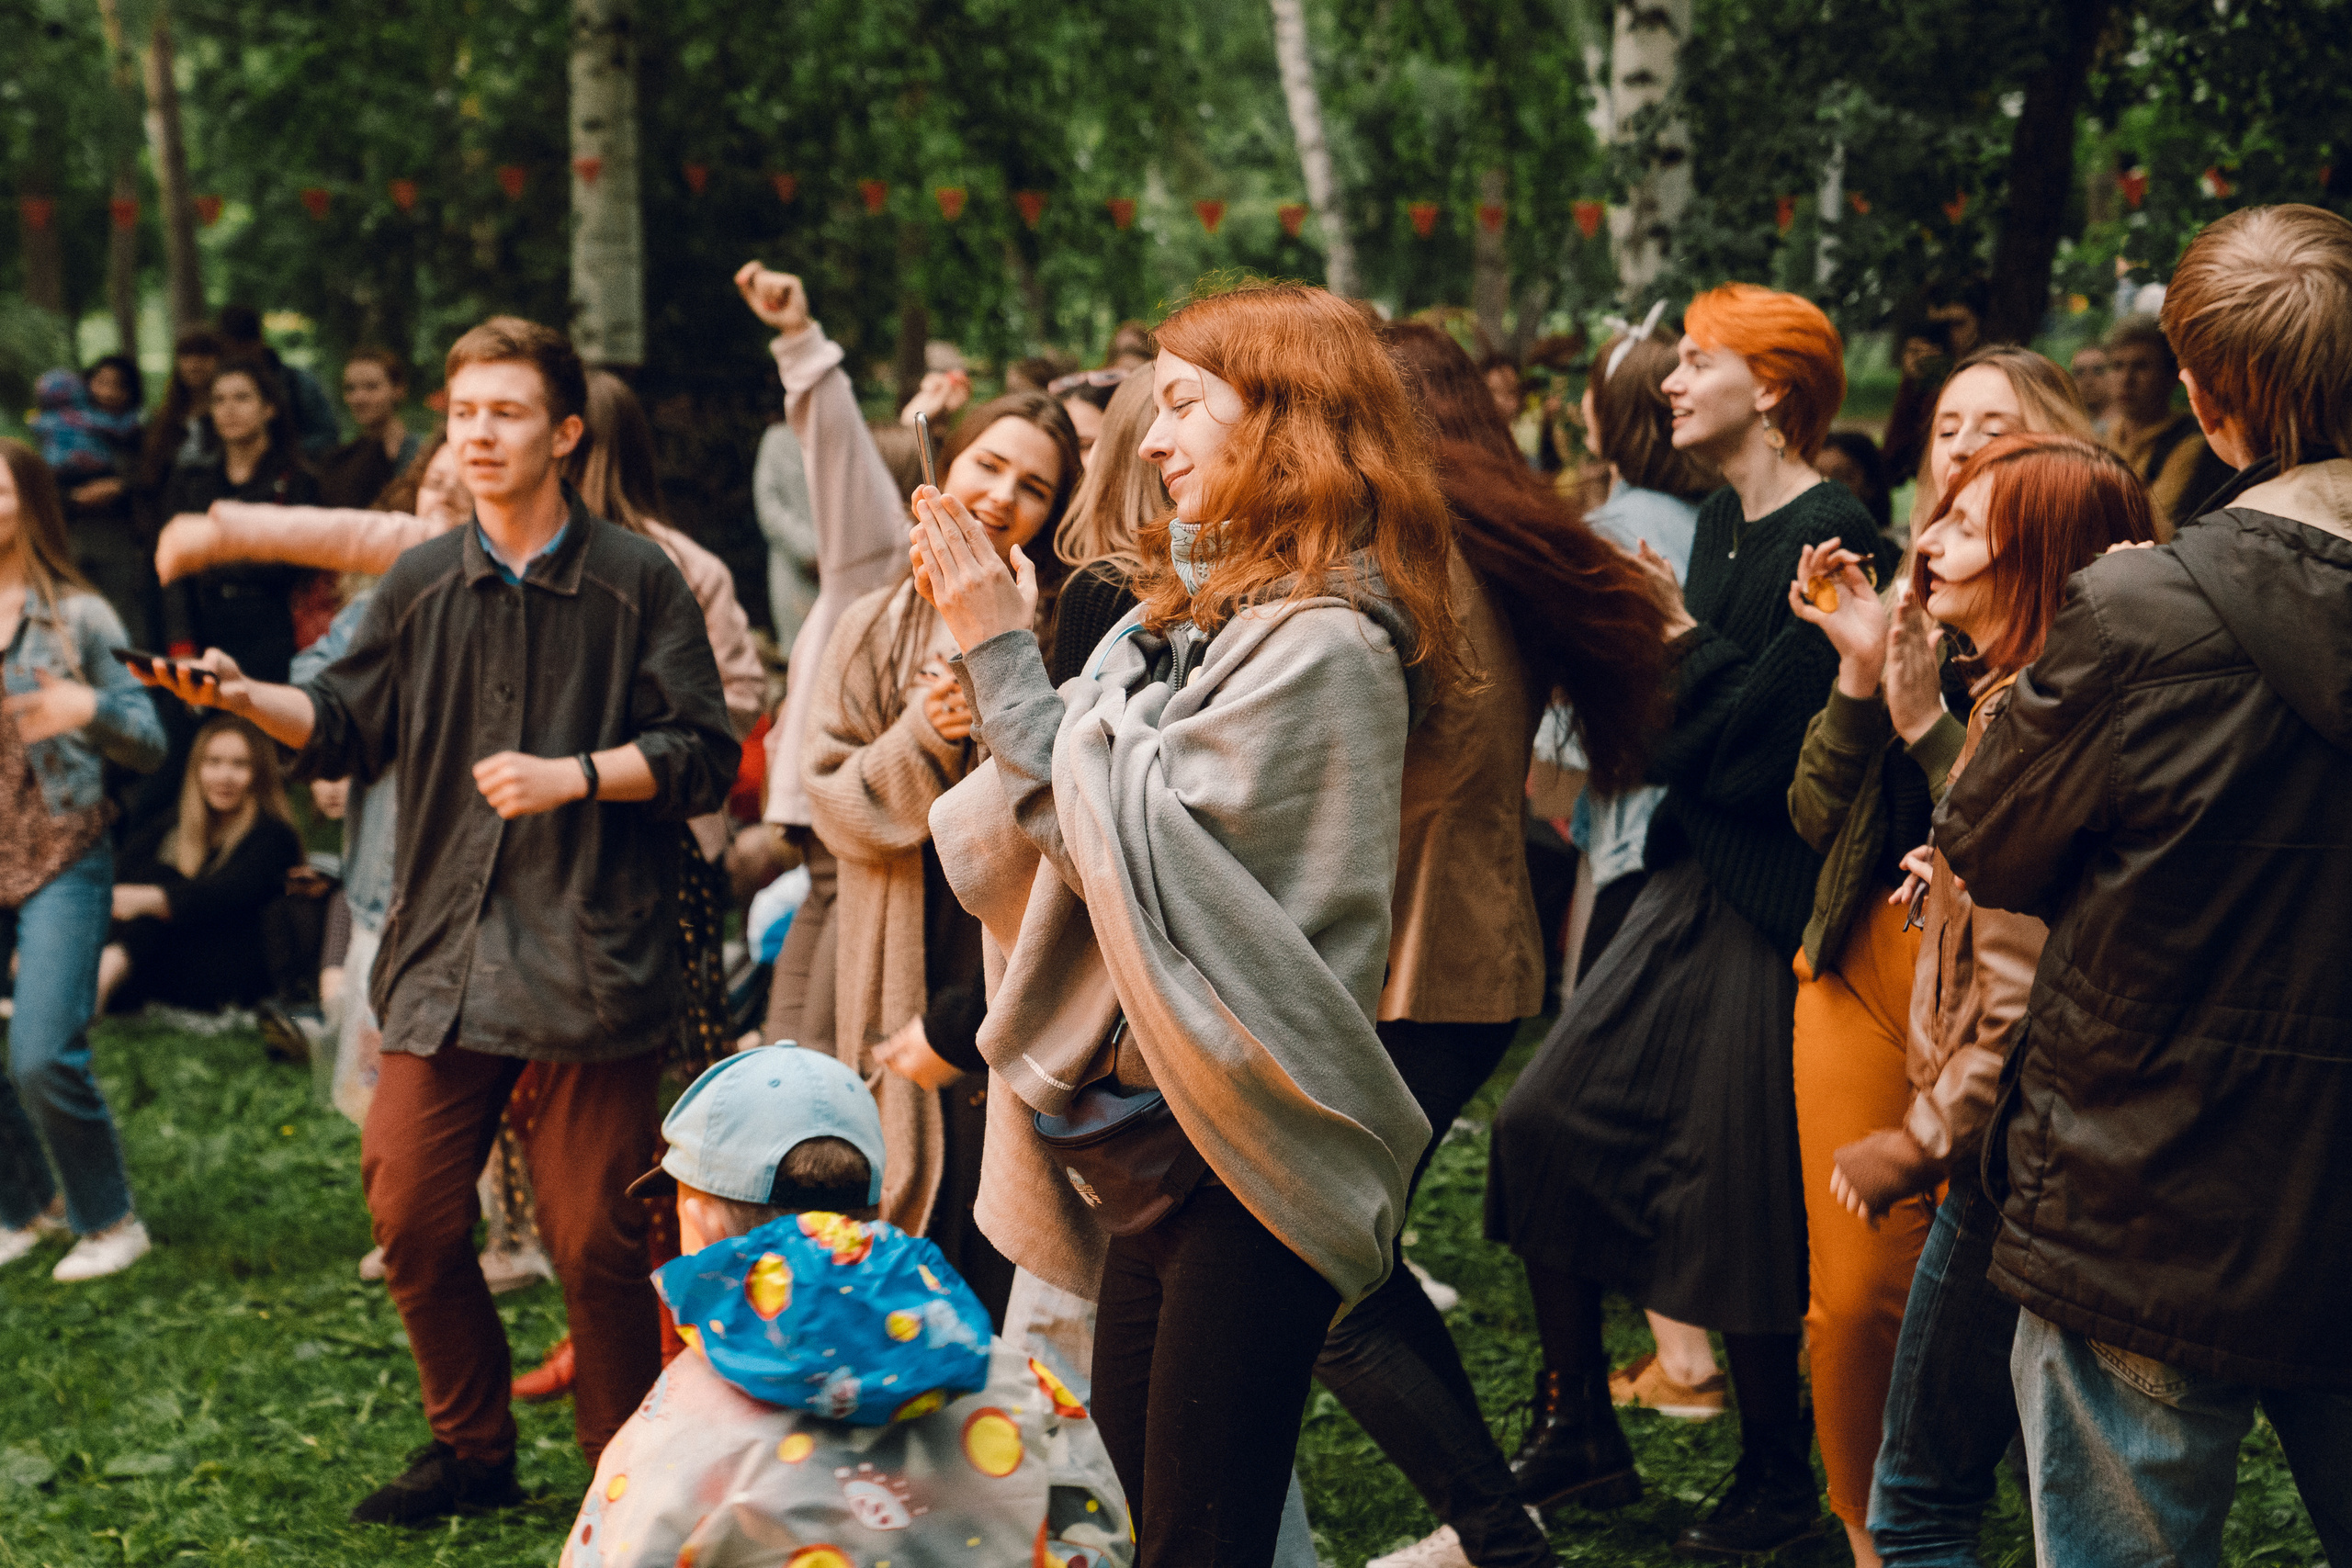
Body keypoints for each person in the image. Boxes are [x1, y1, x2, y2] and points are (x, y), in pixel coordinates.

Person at [136, 315, 740, 1524]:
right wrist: (248, 697)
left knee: (595, 1241)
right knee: (409, 1211)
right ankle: (473, 1449)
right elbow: (340, 720)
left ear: (565, 433)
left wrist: (575, 774)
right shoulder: (419, 579)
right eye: (463, 413)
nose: (477, 434)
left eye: (505, 411)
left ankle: (622, 1476)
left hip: (590, 952)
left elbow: (704, 754)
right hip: (444, 951)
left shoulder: (638, 578)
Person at [919, 279, 1453, 1566]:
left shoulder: (1327, 647)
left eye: (1179, 405)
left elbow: (1122, 849)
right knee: (1143, 1503)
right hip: (1164, 1131)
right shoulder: (1193, 623)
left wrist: (1001, 653)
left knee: (1199, 1539)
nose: (1150, 441)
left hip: (1251, 1138)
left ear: (1280, 418)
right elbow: (1083, 796)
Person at [1938, 205, 2352, 1568]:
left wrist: (2092, 641)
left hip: (2146, 1185)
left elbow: (1988, 842)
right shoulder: (2149, 608)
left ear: (2204, 400)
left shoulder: (2139, 613)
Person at [1488, 282, 1871, 1558]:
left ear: (1773, 388)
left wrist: (1678, 637)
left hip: (1769, 906)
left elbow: (1769, 760)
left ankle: (1778, 1483)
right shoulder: (1715, 522)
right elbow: (1667, 740)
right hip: (1683, 876)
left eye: (1699, 360)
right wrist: (1689, 661)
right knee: (1541, 1125)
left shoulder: (1834, 528)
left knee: (1738, 1186)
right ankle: (1581, 1425)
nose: (1669, 380)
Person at [1782, 423, 2150, 1568]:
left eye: (1963, 526)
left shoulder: (2023, 720)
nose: (1927, 541)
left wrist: (1918, 1141)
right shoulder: (2026, 704)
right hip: (2035, 1149)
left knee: (1924, 1504)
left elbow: (2019, 993)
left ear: (2035, 564)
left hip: (2005, 1158)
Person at [1342, 322, 1668, 1568]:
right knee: (1339, 1257)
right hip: (1456, 944)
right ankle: (1503, 1517)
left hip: (1432, 954)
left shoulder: (1420, 566)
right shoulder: (1464, 546)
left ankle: (1496, 1535)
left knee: (1330, 1266)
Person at [561, 1045, 1133, 1568]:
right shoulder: (1013, 1379)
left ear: (702, 1222)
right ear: (875, 1206)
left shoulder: (679, 1422)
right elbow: (1099, 1536)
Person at [797, 372, 1080, 1327]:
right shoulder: (871, 626)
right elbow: (832, 803)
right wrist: (921, 734)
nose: (1000, 497)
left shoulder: (1061, 627)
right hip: (892, 942)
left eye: (1032, 486)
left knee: (991, 1220)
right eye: (987, 466)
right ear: (944, 469)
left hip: (999, 965)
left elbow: (1064, 820)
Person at [1564, 321, 1726, 1425]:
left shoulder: (1610, 533)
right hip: (1712, 832)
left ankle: (1684, 1354)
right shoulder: (1721, 520)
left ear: (1608, 417)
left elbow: (1575, 726)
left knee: (1609, 1092)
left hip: (1637, 836)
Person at [732, 263, 922, 1063]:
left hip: (833, 825)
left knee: (805, 1043)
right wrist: (800, 339)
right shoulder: (871, 565)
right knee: (807, 1050)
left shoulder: (887, 581)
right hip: (830, 822)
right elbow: (839, 443)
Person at [0, 440, 168, 1283]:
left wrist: (88, 706)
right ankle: (25, 1204)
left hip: (63, 849)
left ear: (29, 504)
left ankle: (110, 1221)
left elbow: (149, 740)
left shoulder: (80, 618)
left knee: (40, 1052)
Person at [98, 713, 304, 1016]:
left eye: (240, 765)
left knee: (155, 895)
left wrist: (151, 900)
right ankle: (100, 974)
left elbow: (224, 894)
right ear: (197, 768)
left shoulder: (274, 835)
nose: (224, 776)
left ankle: (101, 979)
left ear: (260, 773)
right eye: (213, 762)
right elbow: (123, 868)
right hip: (173, 955)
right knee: (154, 875)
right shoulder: (178, 821)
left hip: (231, 967)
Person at [162, 359, 321, 682]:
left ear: (269, 408)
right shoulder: (192, 482)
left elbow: (294, 561)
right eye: (219, 400)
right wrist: (181, 642)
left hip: (277, 631)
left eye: (242, 398)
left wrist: (208, 557)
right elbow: (174, 572)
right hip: (207, 629)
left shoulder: (297, 480)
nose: (229, 409)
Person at [1044, 370, 1171, 685]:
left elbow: (1062, 722)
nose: (1079, 462)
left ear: (1111, 454)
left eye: (1086, 445)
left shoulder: (1103, 587)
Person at [35, 359, 157, 650]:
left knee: (126, 620)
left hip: (124, 540)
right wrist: (75, 498)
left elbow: (155, 479)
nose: (109, 393)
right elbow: (42, 488)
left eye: (119, 386)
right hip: (72, 537)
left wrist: (121, 486)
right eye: (101, 383)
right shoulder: (64, 427)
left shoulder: (140, 434)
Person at [2101, 313, 2235, 534]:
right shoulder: (2105, 434)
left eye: (2141, 366)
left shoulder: (2190, 441)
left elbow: (2153, 524)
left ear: (2172, 376)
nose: (2126, 379)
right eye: (2117, 366)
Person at [215, 304, 339, 457]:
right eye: (219, 400)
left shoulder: (296, 383)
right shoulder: (216, 383)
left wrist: (280, 454)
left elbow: (327, 436)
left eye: (242, 397)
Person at [318, 348, 422, 509]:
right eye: (350, 388)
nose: (358, 398)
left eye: (371, 387)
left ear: (398, 390)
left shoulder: (422, 455)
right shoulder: (338, 462)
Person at [2068, 343, 2112, 434]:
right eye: (2079, 373)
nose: (2088, 381)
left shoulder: (2128, 425)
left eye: (2098, 371)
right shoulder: (2067, 425)